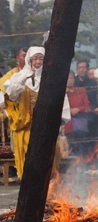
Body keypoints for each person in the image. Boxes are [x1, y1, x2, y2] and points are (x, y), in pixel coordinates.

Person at [3, 46, 70, 178]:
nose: (38, 62)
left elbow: (62, 100)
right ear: (29, 60)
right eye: (35, 59)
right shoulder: (19, 77)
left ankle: (49, 188)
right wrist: (24, 78)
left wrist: (59, 120)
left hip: (46, 128)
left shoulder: (51, 79)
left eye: (41, 59)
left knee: (48, 158)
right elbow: (11, 94)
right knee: (28, 158)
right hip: (26, 127)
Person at [0, 47, 27, 181]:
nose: (26, 58)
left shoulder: (42, 75)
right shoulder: (9, 77)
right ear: (17, 58)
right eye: (23, 56)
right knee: (22, 153)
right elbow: (2, 101)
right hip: (19, 122)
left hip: (39, 123)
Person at [64, 70, 91, 156]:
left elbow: (87, 106)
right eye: (67, 78)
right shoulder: (62, 93)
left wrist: (78, 109)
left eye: (71, 78)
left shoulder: (81, 90)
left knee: (82, 148)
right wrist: (69, 110)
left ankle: (82, 166)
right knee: (69, 148)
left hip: (80, 123)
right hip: (67, 125)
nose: (69, 80)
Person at [75, 60, 98, 137]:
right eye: (80, 68)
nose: (82, 70)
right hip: (77, 115)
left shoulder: (93, 82)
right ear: (77, 69)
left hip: (92, 114)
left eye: (84, 67)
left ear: (87, 69)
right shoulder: (73, 82)